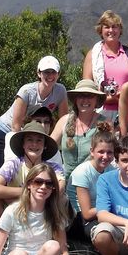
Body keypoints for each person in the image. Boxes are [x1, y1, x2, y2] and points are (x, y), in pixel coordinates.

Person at [0, 55, 68, 185]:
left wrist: (49, 143)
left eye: (53, 72)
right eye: (46, 72)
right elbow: (15, 126)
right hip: (2, 135)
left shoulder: (60, 91)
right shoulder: (27, 91)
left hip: (28, 137)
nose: (50, 76)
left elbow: (63, 120)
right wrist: (23, 152)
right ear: (39, 73)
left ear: (58, 74)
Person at [0, 122, 65, 229]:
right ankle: (6, 237)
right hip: (16, 210)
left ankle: (52, 234)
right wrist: (30, 191)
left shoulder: (53, 168)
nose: (34, 144)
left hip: (43, 211)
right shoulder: (13, 164)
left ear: (44, 146)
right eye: (30, 140)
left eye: (39, 140)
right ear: (23, 144)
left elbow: (60, 188)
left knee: (63, 199)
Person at [50, 79, 109, 211]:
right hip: (64, 184)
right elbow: (48, 147)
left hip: (93, 185)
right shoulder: (64, 121)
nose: (85, 100)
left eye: (89, 96)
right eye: (81, 96)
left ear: (96, 100)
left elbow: (110, 155)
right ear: (75, 99)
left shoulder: (104, 123)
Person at [82, 10, 128, 121]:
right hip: (99, 113)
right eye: (107, 27)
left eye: (114, 27)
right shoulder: (93, 55)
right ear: (100, 30)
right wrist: (107, 98)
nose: (111, 30)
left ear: (120, 30)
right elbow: (87, 86)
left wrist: (122, 96)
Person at [70, 130, 117, 241]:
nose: (105, 156)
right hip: (79, 218)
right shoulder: (82, 172)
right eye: (101, 152)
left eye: (109, 152)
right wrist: (111, 205)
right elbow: (86, 213)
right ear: (92, 151)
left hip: (102, 211)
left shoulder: (112, 170)